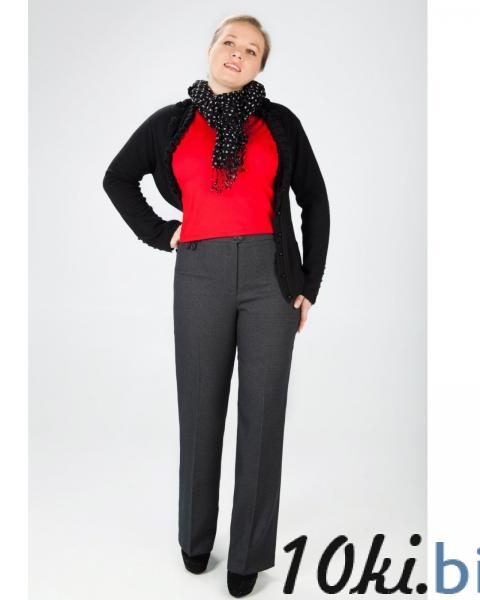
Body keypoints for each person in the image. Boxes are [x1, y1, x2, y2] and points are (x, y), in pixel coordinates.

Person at [102, 14, 330, 597]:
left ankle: (248, 553)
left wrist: (309, 282)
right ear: (211, 48)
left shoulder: (279, 123)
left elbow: (315, 200)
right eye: (230, 42)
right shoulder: (172, 124)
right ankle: (196, 537)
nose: (237, 53)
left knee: (263, 414)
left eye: (251, 50)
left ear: (260, 65)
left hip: (270, 278)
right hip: (200, 272)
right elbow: (118, 178)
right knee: (201, 408)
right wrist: (163, 232)